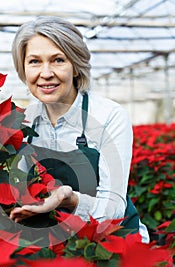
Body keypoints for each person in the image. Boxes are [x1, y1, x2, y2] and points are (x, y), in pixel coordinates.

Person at [9, 16, 149, 243]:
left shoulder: (108, 116)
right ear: (23, 69)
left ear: (76, 67)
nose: (46, 73)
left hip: (115, 241)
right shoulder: (23, 122)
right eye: (34, 61)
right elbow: (16, 190)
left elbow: (113, 207)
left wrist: (71, 199)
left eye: (58, 60)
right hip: (55, 239)